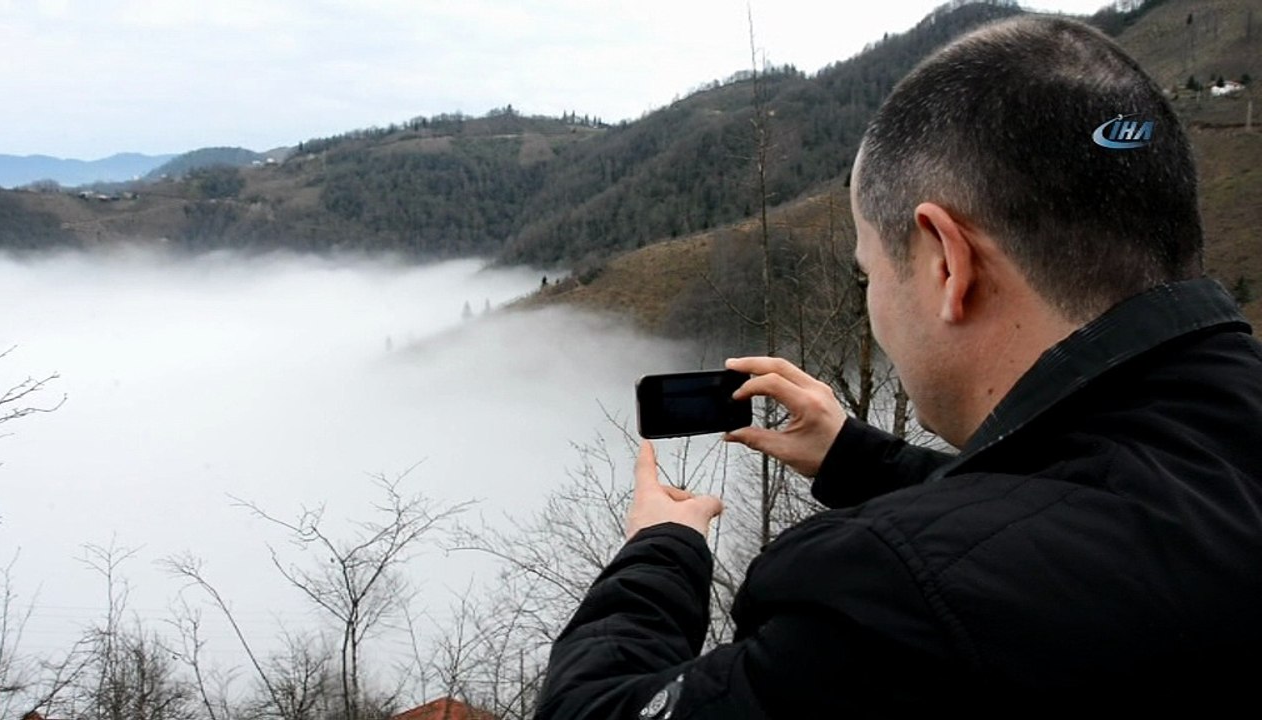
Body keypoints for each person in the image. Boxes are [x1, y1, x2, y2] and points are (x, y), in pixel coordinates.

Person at [535, 15, 1262, 718]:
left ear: (948, 263)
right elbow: (1094, 518)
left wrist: (662, 548)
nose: (871, 303)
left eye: (867, 275)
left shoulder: (894, 601)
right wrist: (853, 457)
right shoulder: (1213, 457)